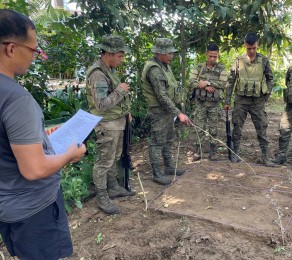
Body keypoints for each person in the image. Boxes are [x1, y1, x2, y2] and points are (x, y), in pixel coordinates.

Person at [0, 9, 86, 259]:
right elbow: (34, 169)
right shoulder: (16, 99)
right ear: (10, 48)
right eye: (34, 50)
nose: (36, 57)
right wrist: (70, 153)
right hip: (33, 208)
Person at [86, 34, 135, 215]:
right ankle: (101, 196)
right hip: (106, 125)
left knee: (115, 156)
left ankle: (113, 186)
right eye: (120, 56)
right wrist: (120, 91)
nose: (122, 60)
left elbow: (113, 100)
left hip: (117, 122)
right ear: (108, 54)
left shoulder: (109, 70)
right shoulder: (98, 73)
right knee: (104, 161)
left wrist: (125, 111)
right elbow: (102, 105)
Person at [141, 38, 192, 185]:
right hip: (159, 111)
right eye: (169, 53)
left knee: (169, 139)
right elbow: (161, 96)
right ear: (159, 53)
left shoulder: (164, 66)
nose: (172, 56)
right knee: (157, 142)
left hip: (167, 111)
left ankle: (168, 167)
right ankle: (157, 174)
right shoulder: (155, 70)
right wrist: (179, 113)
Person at [224, 32, 274, 166]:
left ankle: (265, 157)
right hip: (241, 100)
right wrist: (227, 101)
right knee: (237, 128)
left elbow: (270, 79)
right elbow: (231, 81)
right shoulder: (238, 61)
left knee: (262, 128)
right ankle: (235, 154)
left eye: (254, 48)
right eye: (249, 48)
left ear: (257, 46)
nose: (251, 51)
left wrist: (266, 96)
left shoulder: (263, 60)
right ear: (244, 46)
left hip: (257, 101)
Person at [189, 43, 228, 161]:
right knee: (199, 128)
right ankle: (198, 151)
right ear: (206, 54)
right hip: (200, 103)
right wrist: (204, 86)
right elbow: (191, 82)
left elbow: (224, 83)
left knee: (213, 129)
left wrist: (208, 82)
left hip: (214, 104)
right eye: (210, 56)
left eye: (215, 57)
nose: (213, 59)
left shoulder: (221, 69)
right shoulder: (199, 68)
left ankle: (213, 152)